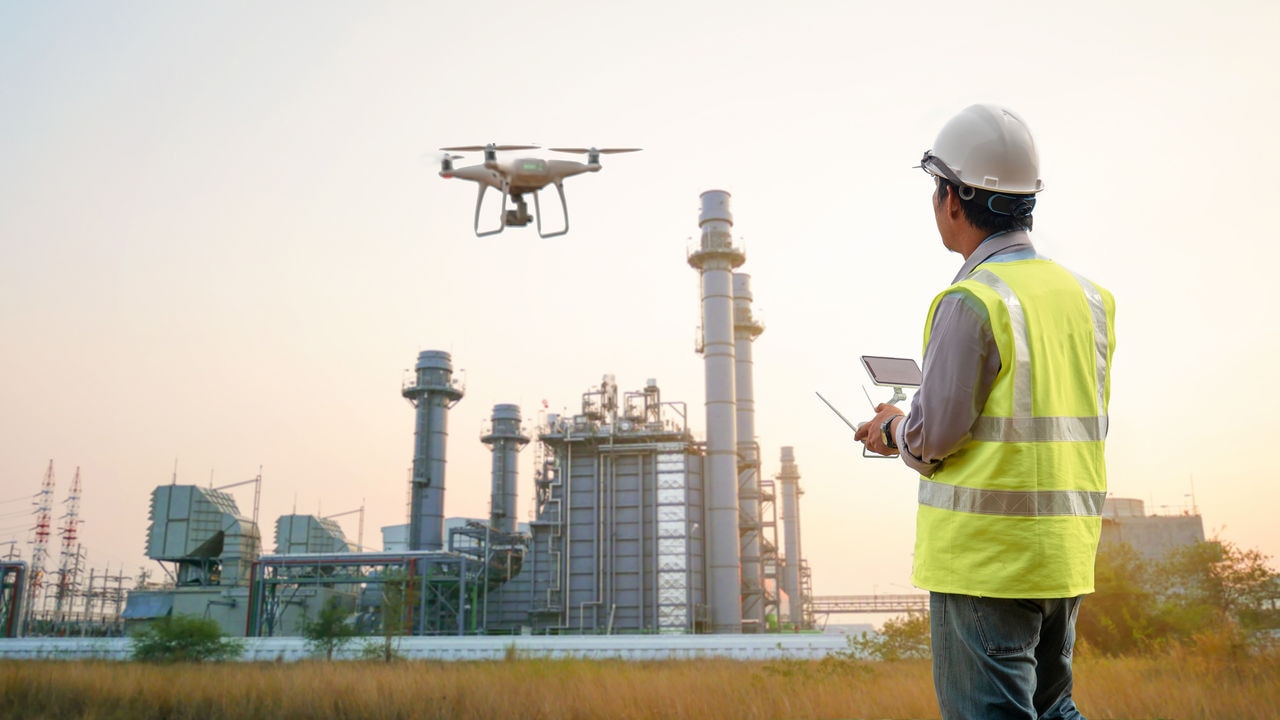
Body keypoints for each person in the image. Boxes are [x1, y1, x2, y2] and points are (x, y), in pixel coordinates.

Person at [854, 104, 1116, 720]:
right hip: (1064, 555)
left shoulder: (971, 299)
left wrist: (891, 426)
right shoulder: (1091, 300)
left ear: (952, 198)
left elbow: (933, 439)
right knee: (1054, 710)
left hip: (986, 567)